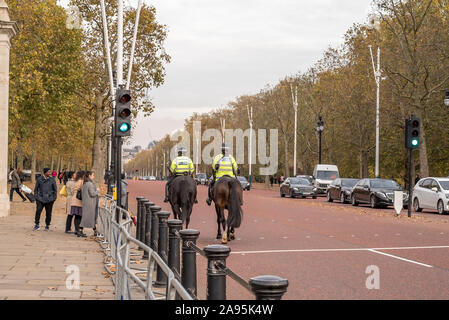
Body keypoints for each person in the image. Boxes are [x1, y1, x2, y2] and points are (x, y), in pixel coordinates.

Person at [80, 171, 99, 237]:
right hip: (90, 203)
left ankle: (81, 230)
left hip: (86, 202)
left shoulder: (85, 183)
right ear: (90, 176)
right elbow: (92, 193)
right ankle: (95, 231)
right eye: (93, 175)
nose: (93, 176)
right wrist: (97, 191)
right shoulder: (90, 184)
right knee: (90, 218)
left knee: (87, 217)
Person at [70, 171, 86, 237]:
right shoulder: (81, 181)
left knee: (77, 216)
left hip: (74, 199)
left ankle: (76, 230)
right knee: (80, 216)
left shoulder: (76, 181)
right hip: (79, 201)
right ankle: (79, 230)